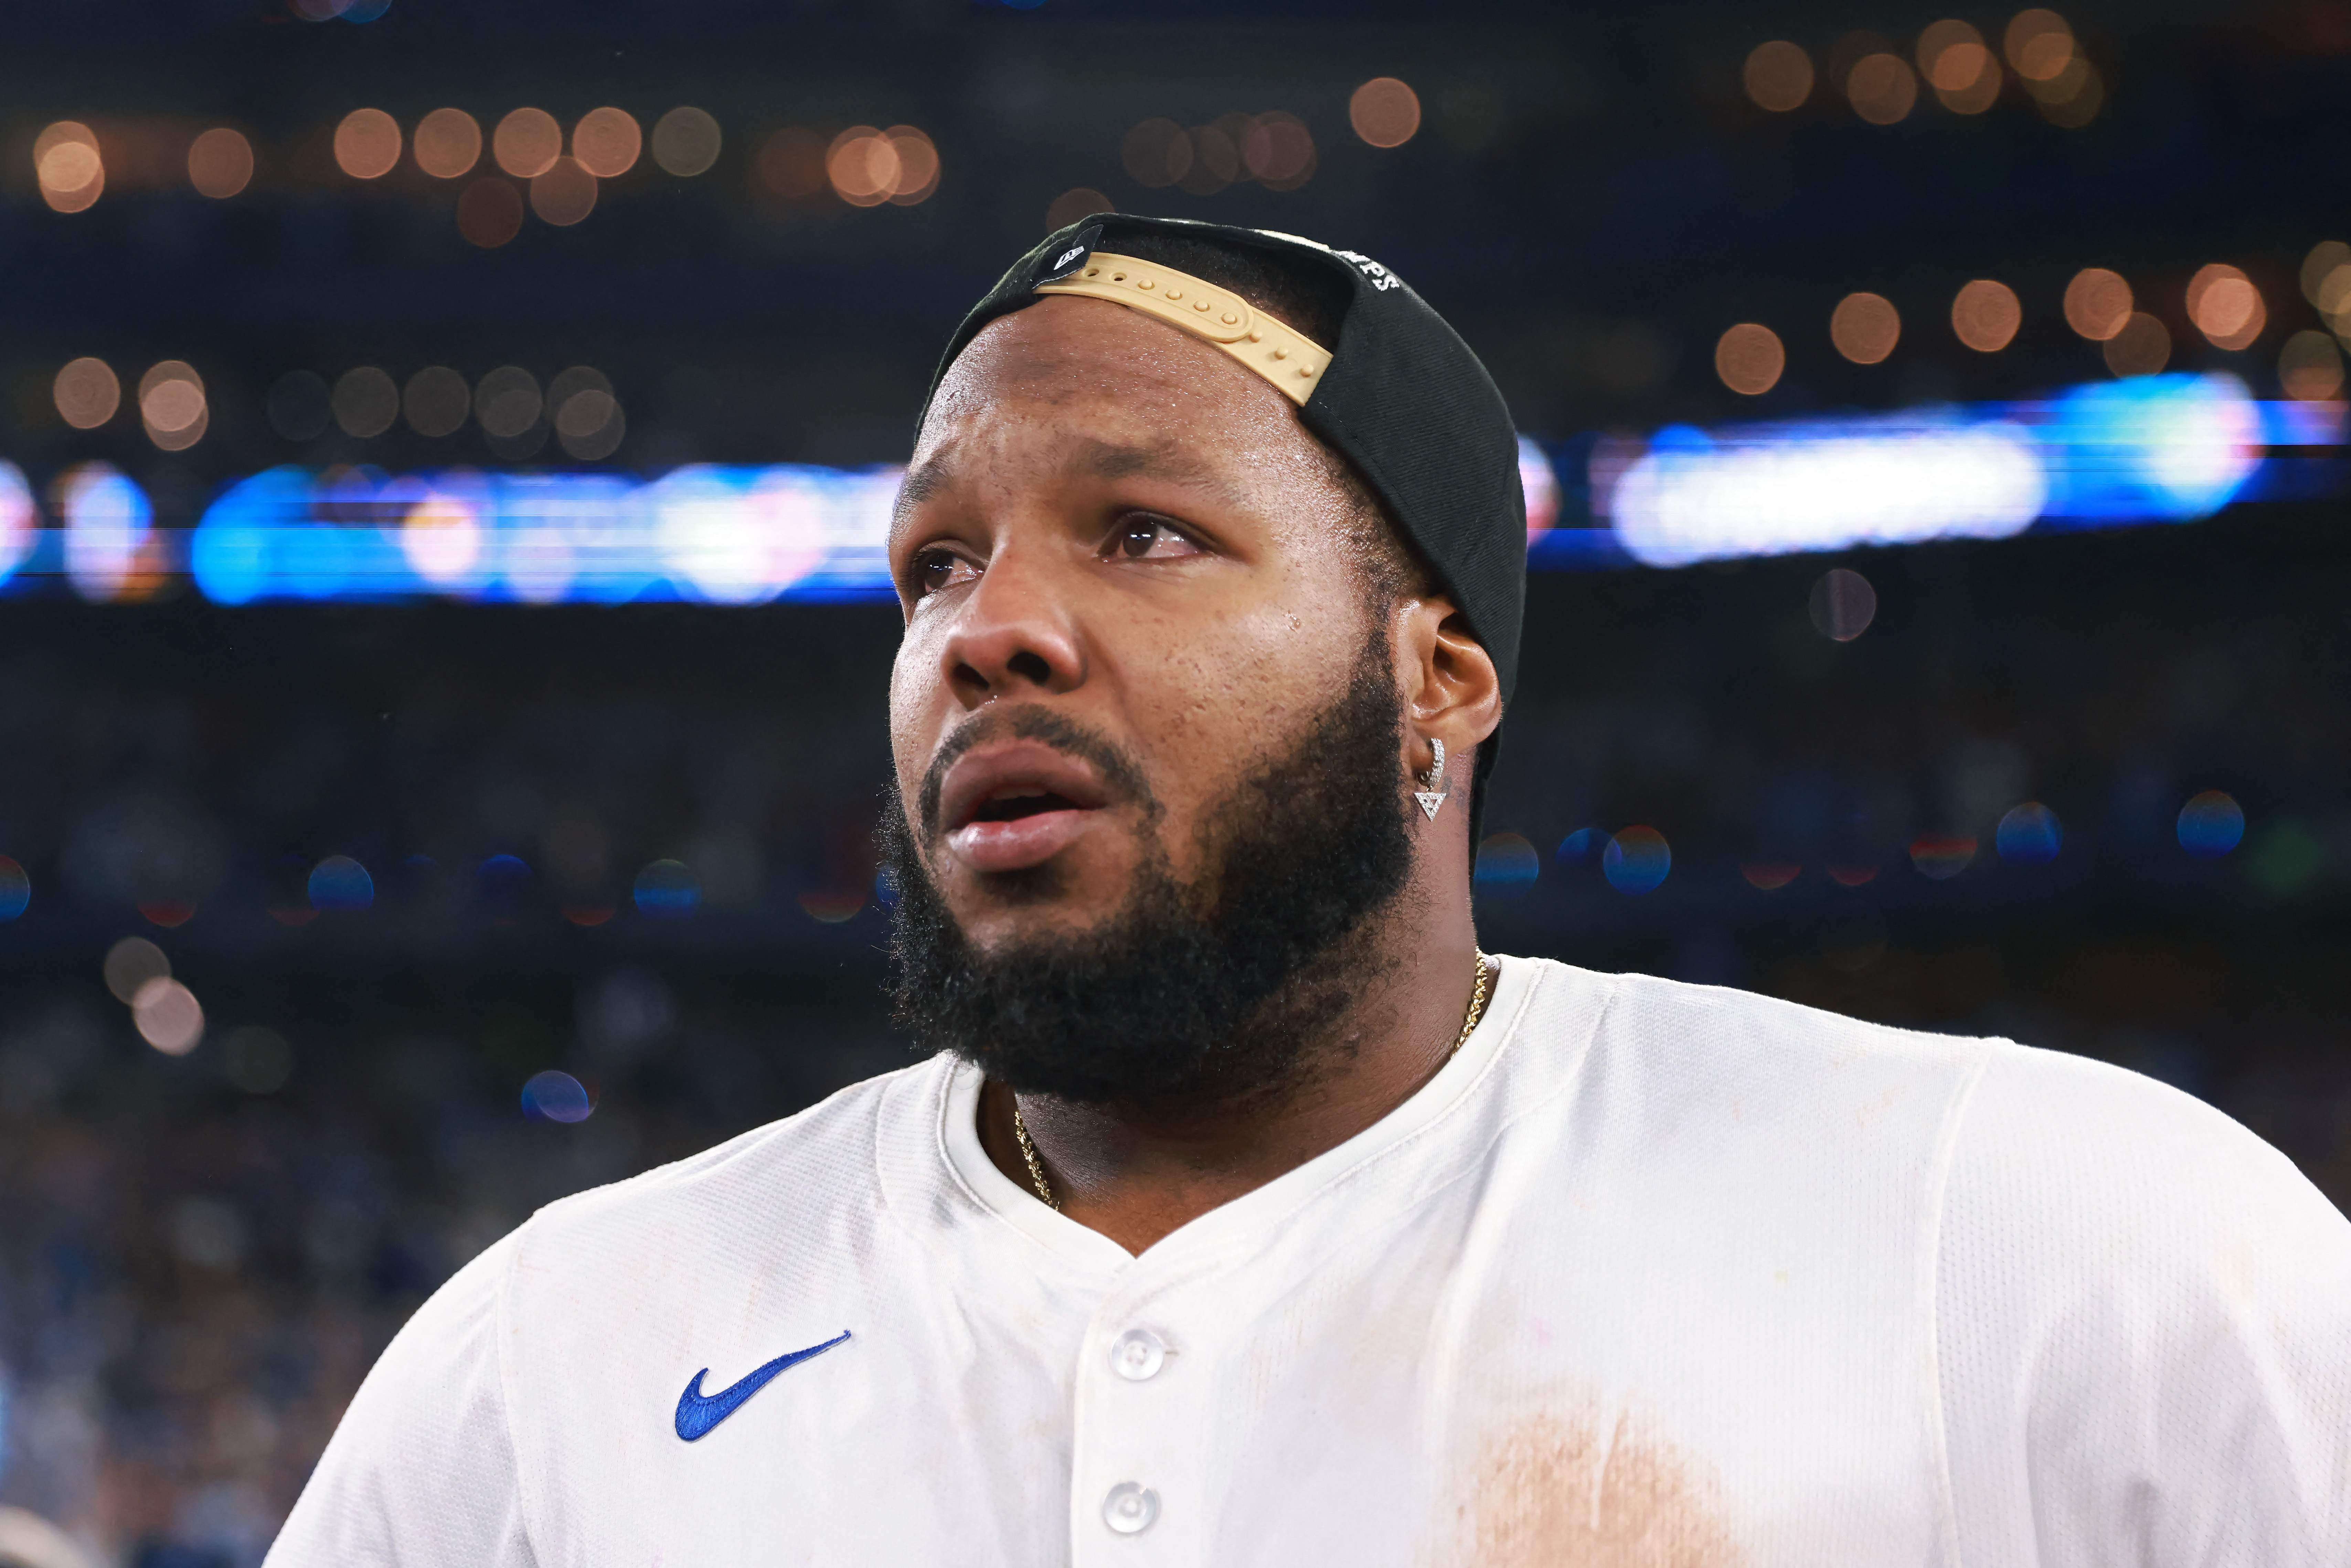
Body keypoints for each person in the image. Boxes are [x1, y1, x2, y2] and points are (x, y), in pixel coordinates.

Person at [265, 215, 2351, 1566]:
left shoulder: (2033, 1237)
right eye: (936, 562)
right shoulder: (555, 1358)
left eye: (1145, 532)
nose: (992, 630)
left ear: (1440, 669)